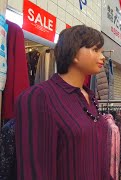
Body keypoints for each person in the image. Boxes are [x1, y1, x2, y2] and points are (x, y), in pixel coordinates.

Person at [15, 25, 109, 179]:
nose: (102, 57)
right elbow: (35, 171)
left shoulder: (90, 97)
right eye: (95, 50)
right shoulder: (39, 97)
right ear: (74, 54)